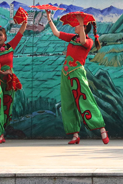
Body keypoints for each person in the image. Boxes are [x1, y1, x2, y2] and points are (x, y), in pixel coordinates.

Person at [45, 10, 109, 145]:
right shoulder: (73, 38)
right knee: (68, 103)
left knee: (86, 100)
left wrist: (81, 22)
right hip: (66, 73)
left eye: (78, 25)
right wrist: (49, 18)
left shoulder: (89, 42)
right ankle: (75, 135)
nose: (75, 26)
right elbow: (57, 33)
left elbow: (83, 41)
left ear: (84, 27)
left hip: (77, 73)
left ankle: (102, 128)